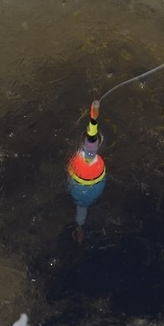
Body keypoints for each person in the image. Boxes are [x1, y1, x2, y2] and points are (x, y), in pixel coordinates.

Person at [67, 101, 106, 240]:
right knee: (82, 207)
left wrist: (93, 120)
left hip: (78, 188)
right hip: (95, 188)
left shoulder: (82, 158)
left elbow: (91, 143)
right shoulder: (95, 160)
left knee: (81, 206)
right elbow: (91, 144)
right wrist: (93, 120)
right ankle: (80, 227)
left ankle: (79, 228)